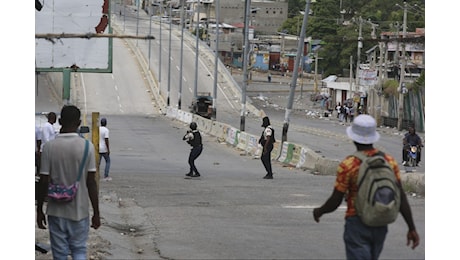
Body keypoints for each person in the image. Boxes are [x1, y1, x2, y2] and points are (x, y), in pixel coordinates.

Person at [312, 114, 419, 260]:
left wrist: (320, 211)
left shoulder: (348, 165)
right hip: (380, 221)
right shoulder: (389, 161)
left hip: (356, 222)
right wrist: (411, 227)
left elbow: (336, 199)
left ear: (353, 137)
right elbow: (400, 196)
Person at [36, 105, 101, 259]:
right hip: (79, 211)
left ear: (60, 121)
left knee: (60, 254)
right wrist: (96, 213)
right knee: (79, 251)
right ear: (79, 123)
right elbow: (91, 183)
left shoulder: (49, 147)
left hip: (55, 211)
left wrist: (39, 210)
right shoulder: (87, 147)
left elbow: (43, 181)